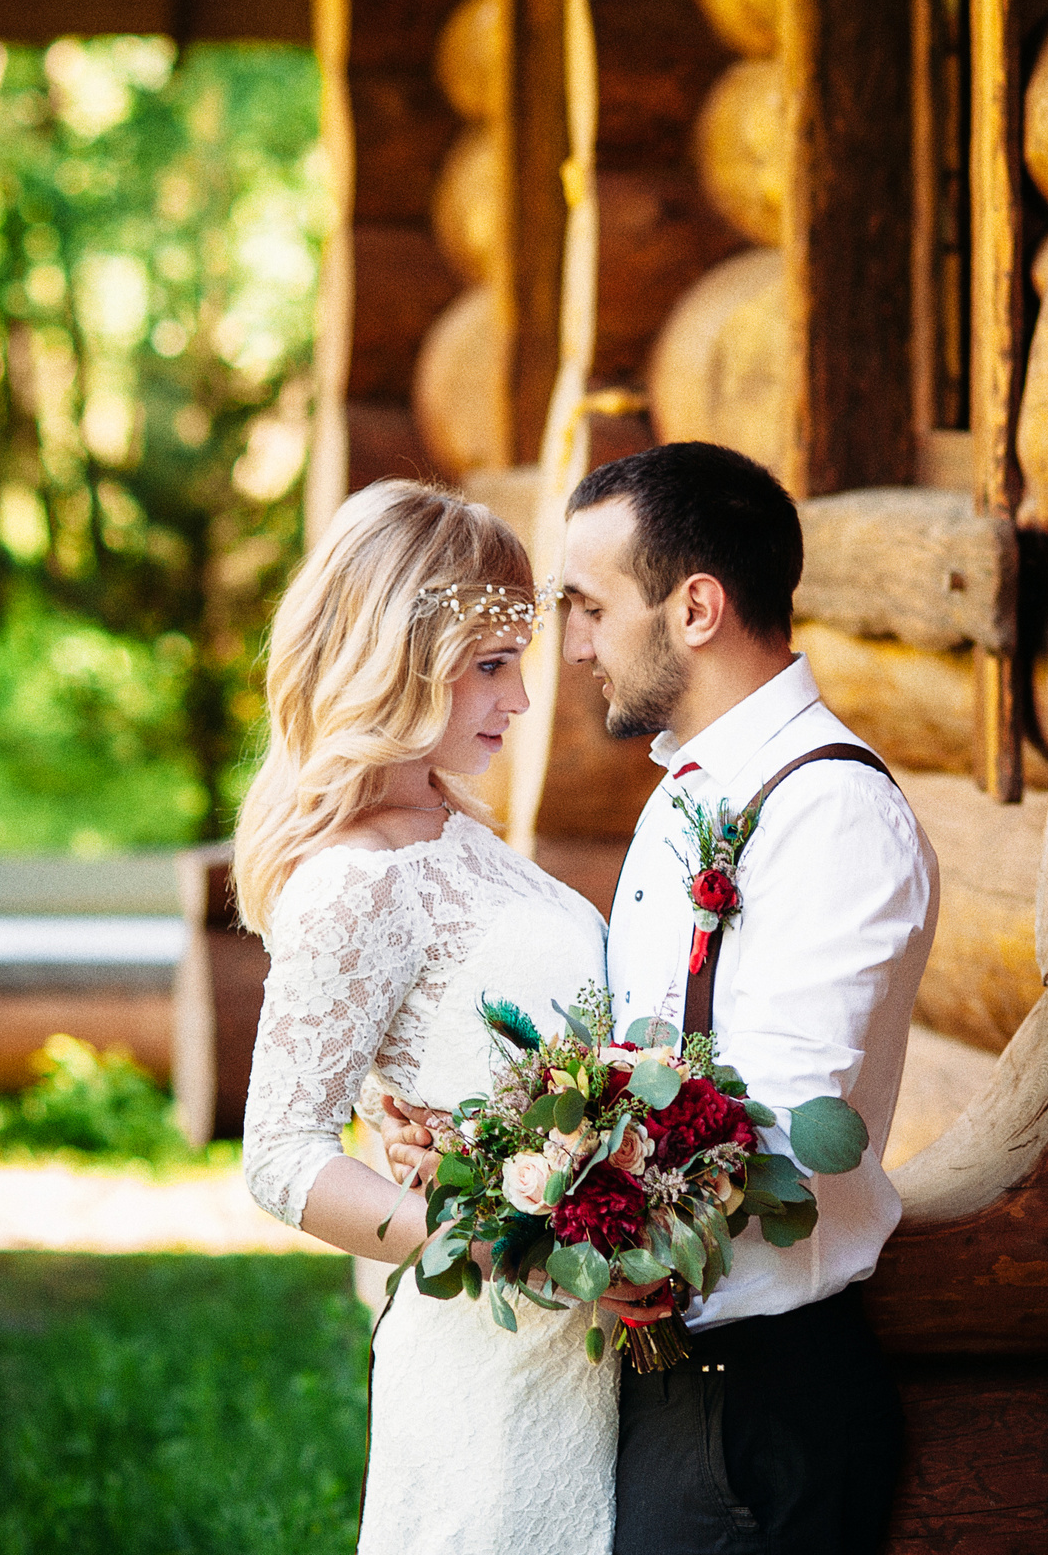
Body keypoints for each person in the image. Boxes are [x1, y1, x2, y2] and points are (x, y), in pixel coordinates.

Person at [384, 441, 936, 1554]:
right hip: (674, 1374)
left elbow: (775, 1130)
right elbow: (653, 1070)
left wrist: (537, 1225)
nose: (570, 645)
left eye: (587, 606)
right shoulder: (693, 789)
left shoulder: (828, 813)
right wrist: (489, 1154)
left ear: (694, 608)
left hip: (759, 1401)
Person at [236, 478, 641, 1555]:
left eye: (521, 665)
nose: (517, 703)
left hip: (595, 1350)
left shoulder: (460, 833)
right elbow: (279, 1153)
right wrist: (499, 1244)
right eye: (491, 668)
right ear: (399, 659)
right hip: (491, 1366)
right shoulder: (352, 882)